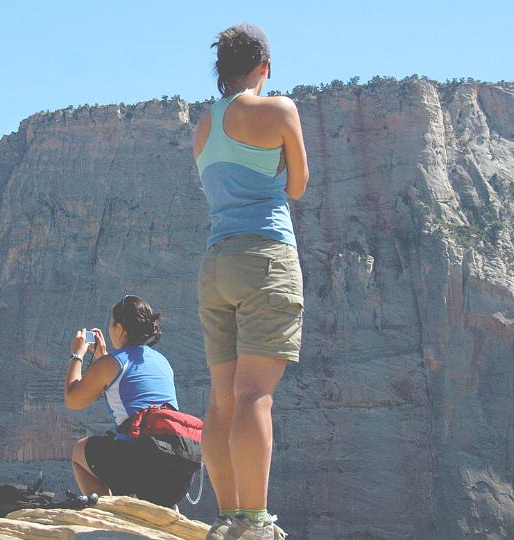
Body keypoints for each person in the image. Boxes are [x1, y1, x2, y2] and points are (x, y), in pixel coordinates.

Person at [193, 23, 309, 540]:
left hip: (216, 263)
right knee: (255, 394)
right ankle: (257, 522)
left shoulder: (202, 125)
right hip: (265, 255)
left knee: (221, 399)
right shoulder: (279, 110)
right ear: (263, 65)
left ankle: (229, 518)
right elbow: (298, 186)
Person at [64, 295, 193, 508]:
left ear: (120, 329)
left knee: (80, 451)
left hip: (144, 467)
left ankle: (111, 515)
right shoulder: (162, 361)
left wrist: (76, 354)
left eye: (111, 324)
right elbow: (125, 381)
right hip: (179, 471)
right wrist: (103, 356)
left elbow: (73, 399)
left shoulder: (111, 364)